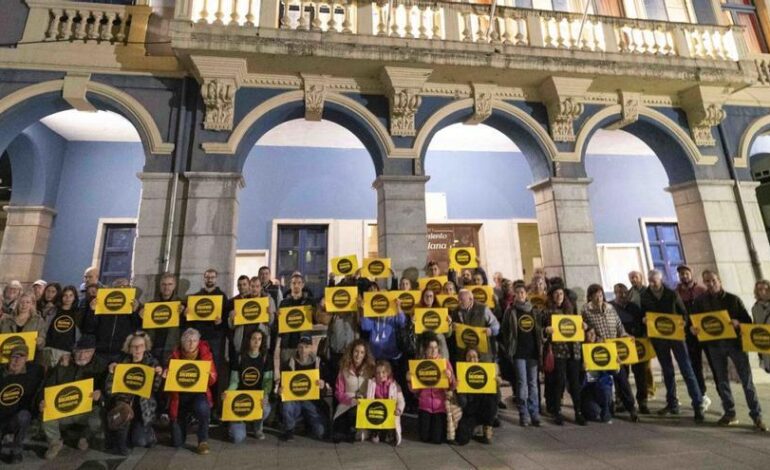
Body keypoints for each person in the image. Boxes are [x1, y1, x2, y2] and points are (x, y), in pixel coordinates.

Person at [692, 271, 766, 431]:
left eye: (712, 280)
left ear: (719, 280)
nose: (710, 284)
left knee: (746, 380)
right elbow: (695, 322)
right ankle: (730, 413)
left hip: (735, 345)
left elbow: (747, 321)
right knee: (721, 380)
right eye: (707, 281)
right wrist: (694, 329)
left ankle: (757, 415)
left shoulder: (733, 299)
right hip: (714, 346)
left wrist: (738, 323)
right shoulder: (700, 302)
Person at [640, 270, 703, 421]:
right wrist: (644, 320)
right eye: (650, 280)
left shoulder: (672, 294)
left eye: (654, 280)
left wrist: (684, 323)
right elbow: (644, 313)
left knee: (686, 369)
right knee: (667, 371)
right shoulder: (645, 296)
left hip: (676, 337)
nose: (652, 283)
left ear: (660, 280)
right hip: (659, 338)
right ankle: (672, 403)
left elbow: (684, 313)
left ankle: (698, 404)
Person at [41, 335, 107, 460]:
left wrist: (100, 394)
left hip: (86, 411)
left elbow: (108, 390)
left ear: (93, 351)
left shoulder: (101, 366)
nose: (81, 356)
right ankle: (55, 442)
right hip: (64, 409)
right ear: (73, 351)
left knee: (98, 418)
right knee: (46, 411)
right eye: (78, 352)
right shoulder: (64, 363)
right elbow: (49, 387)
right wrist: (61, 368)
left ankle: (85, 437)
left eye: (86, 352)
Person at [581, 284, 639, 423]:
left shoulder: (610, 308)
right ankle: (605, 409)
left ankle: (631, 408)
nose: (599, 298)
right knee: (601, 383)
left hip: (614, 351)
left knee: (622, 380)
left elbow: (619, 326)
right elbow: (586, 330)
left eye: (600, 295)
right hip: (599, 352)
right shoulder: (585, 310)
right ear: (590, 297)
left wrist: (625, 336)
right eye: (595, 295)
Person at [105, 332, 163, 455]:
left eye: (141, 346)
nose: (137, 349)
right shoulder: (121, 362)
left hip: (143, 405)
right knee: (123, 412)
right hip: (125, 402)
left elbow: (156, 389)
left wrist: (158, 376)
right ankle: (122, 444)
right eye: (134, 346)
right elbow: (109, 390)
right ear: (129, 348)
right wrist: (111, 373)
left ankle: (149, 433)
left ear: (145, 347)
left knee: (139, 441)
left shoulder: (152, 363)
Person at [166, 328, 217, 454]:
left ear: (198, 342)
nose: (191, 343)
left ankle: (203, 440)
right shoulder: (174, 356)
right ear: (182, 342)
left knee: (203, 407)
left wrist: (210, 375)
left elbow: (213, 381)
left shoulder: (206, 356)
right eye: (188, 340)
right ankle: (185, 422)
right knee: (177, 443)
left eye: (194, 340)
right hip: (179, 397)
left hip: (198, 395)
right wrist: (166, 374)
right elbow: (167, 385)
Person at [542, 285, 585, 425]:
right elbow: (540, 329)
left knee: (574, 383)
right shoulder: (547, 312)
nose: (559, 296)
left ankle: (578, 411)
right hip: (557, 351)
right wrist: (546, 330)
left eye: (561, 293)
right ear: (552, 296)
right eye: (556, 294)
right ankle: (557, 411)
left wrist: (584, 326)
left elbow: (580, 325)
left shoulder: (571, 309)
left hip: (573, 350)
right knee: (558, 381)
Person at [499, 281, 540, 426]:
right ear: (514, 295)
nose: (521, 295)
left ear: (526, 294)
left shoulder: (533, 310)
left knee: (533, 384)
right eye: (518, 293)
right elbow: (504, 330)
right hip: (518, 353)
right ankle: (524, 414)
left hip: (533, 352)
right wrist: (509, 346)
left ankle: (534, 413)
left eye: (523, 292)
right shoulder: (510, 311)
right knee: (522, 383)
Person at [676, 264, 713, 412]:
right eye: (681, 274)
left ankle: (725, 401)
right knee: (695, 365)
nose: (683, 276)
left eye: (686, 273)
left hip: (704, 332)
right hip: (688, 334)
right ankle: (702, 395)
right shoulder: (677, 292)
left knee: (714, 365)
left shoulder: (701, 290)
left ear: (691, 274)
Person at [407, 332, 456, 444]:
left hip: (440, 406)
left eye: (435, 347)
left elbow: (453, 386)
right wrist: (409, 380)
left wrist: (450, 377)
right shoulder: (420, 364)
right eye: (430, 348)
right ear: (425, 349)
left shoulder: (445, 363)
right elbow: (414, 390)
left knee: (437, 439)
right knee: (424, 437)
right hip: (425, 405)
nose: (433, 350)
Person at [227, 329, 273, 443]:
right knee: (237, 438)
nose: (256, 342)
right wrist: (228, 394)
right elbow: (234, 381)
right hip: (240, 398)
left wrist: (265, 395)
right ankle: (238, 423)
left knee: (266, 409)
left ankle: (258, 427)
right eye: (254, 339)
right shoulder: (239, 357)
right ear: (248, 341)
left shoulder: (266, 358)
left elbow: (267, 381)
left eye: (259, 339)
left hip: (257, 397)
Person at [0, 344, 44, 464]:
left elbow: (45, 386)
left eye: (21, 357)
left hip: (16, 418)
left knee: (24, 416)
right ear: (9, 358)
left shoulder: (34, 372)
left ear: (26, 359)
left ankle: (16, 451)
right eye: (14, 356)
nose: (17, 360)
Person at [278, 334, 326, 441]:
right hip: (294, 400)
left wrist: (322, 386)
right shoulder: (290, 363)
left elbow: (324, 389)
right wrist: (280, 390)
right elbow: (282, 386)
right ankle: (289, 429)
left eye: (306, 347)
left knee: (320, 432)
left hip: (311, 401)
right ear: (297, 348)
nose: (303, 350)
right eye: (300, 347)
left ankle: (305, 422)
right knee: (286, 405)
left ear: (311, 348)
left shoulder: (318, 362)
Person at [609, 283, 648, 414]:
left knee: (640, 373)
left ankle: (643, 401)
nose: (623, 295)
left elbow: (642, 323)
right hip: (619, 345)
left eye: (625, 292)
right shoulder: (610, 307)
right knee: (621, 374)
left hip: (635, 343)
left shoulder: (634, 307)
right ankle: (621, 400)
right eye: (620, 292)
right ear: (615, 293)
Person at [81, 278, 141, 363]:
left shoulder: (134, 305)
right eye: (118, 286)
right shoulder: (101, 303)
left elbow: (137, 329)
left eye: (125, 287)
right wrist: (92, 311)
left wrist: (135, 312)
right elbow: (89, 328)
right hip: (99, 353)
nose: (121, 289)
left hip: (122, 354)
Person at [332, 339, 375, 443]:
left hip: (363, 403)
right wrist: (350, 400)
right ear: (351, 352)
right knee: (337, 436)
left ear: (365, 354)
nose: (358, 355)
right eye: (356, 351)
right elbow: (338, 392)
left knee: (354, 414)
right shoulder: (343, 369)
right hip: (346, 403)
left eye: (362, 352)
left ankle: (355, 431)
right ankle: (348, 431)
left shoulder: (371, 369)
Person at [454, 348, 498, 445]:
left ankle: (487, 428)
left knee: (492, 397)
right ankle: (475, 428)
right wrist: (458, 389)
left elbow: (495, 400)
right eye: (468, 357)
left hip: (483, 410)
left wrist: (496, 384)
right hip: (469, 412)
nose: (471, 360)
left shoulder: (486, 372)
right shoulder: (461, 374)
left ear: (478, 359)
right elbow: (462, 403)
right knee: (461, 439)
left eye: (474, 357)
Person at [274, 273, 316, 372]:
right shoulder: (283, 303)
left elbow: (315, 321)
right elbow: (279, 325)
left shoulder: (309, 302)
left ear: (303, 285)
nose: (296, 285)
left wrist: (315, 312)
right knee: (286, 373)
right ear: (290, 285)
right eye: (293, 283)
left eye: (299, 283)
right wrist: (277, 317)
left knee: (303, 373)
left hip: (304, 345)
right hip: (287, 345)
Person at [140, 273, 183, 366]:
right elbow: (142, 327)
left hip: (171, 347)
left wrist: (183, 314)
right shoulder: (150, 304)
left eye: (169, 284)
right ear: (160, 286)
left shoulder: (181, 305)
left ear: (174, 285)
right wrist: (140, 316)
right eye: (164, 284)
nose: (166, 287)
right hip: (153, 346)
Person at [451, 289, 499, 363]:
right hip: (463, 354)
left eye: (461, 300)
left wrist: (491, 330)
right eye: (458, 299)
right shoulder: (455, 311)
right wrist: (452, 327)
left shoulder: (483, 309)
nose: (459, 302)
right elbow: (452, 332)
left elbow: (496, 325)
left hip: (482, 353)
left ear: (470, 299)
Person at [365, 360, 405, 445]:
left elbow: (401, 400)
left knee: (390, 421)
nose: (380, 375)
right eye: (378, 373)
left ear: (388, 372)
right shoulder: (371, 384)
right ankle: (376, 432)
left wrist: (399, 409)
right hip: (377, 411)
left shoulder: (395, 385)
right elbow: (368, 398)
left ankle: (389, 433)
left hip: (390, 412)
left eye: (383, 372)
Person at [43, 285, 83, 369]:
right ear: (61, 297)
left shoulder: (78, 313)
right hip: (49, 348)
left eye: (71, 295)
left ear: (75, 298)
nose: (68, 298)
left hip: (66, 351)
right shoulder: (53, 310)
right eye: (65, 295)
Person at [0, 292, 47, 359]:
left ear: (32, 304)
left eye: (28, 302)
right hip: (7, 358)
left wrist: (40, 342)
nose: (24, 305)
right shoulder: (5, 320)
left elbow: (42, 345)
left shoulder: (38, 321)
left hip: (27, 359)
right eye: (21, 302)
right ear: (17, 303)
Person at [752, 279, 770, 373]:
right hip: (765, 345)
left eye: (766, 289)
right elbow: (755, 327)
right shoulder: (755, 308)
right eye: (760, 289)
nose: (763, 292)